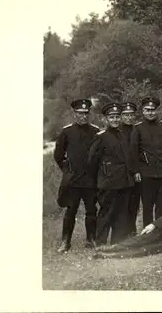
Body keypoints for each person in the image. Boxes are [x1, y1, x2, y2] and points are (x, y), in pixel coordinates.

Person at [54, 99, 101, 253]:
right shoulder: (66, 132)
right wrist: (67, 170)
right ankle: (65, 242)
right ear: (75, 114)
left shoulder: (96, 131)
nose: (84, 116)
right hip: (73, 180)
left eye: (86, 113)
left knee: (91, 210)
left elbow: (99, 155)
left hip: (90, 179)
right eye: (80, 113)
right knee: (71, 210)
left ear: (90, 114)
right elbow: (58, 155)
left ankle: (91, 239)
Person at [87, 102, 135, 246]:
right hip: (108, 182)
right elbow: (92, 162)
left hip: (124, 181)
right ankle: (101, 243)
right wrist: (100, 179)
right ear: (106, 119)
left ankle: (117, 243)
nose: (115, 120)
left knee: (121, 214)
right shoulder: (101, 137)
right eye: (111, 117)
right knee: (106, 213)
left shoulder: (122, 135)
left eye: (117, 117)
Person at [130, 97, 162, 230]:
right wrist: (136, 171)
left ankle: (160, 230)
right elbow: (133, 152)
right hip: (146, 173)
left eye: (153, 110)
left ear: (156, 111)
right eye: (147, 110)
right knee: (147, 205)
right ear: (143, 111)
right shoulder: (138, 128)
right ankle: (147, 230)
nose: (150, 113)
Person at [119, 102, 142, 237]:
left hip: (135, 173)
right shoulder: (118, 130)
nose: (129, 117)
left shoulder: (136, 129)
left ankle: (132, 230)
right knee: (122, 204)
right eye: (126, 115)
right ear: (121, 116)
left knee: (134, 203)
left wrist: (137, 170)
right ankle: (122, 232)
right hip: (121, 173)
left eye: (131, 115)